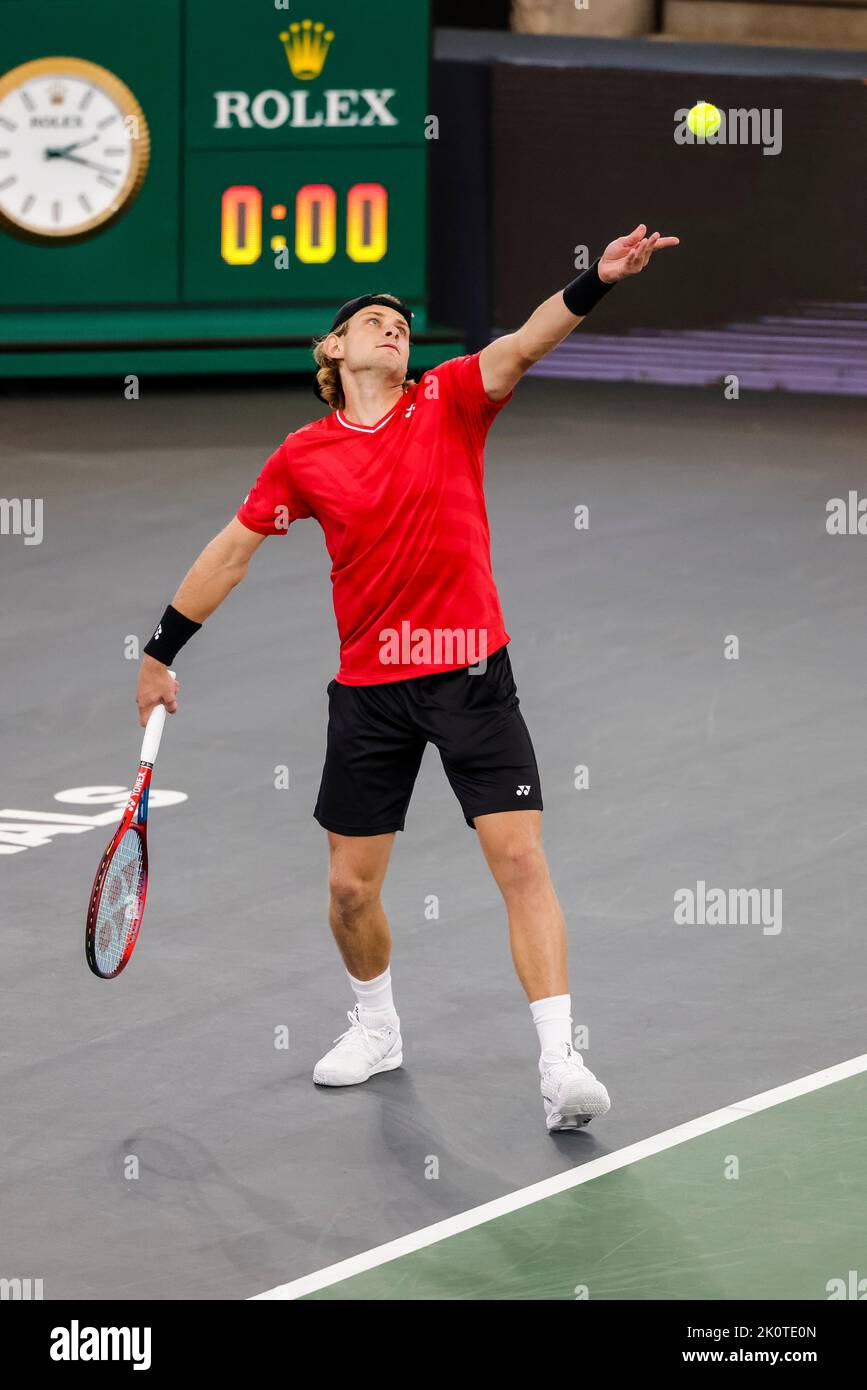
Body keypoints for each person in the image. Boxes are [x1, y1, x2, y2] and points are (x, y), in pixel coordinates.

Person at [135, 224, 679, 1131]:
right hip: (368, 694)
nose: (393, 328)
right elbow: (232, 554)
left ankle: (559, 1062)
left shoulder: (453, 397)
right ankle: (375, 1026)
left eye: (400, 322)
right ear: (334, 352)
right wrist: (160, 651)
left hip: (471, 674)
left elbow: (525, 340)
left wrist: (597, 279)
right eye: (373, 322)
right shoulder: (303, 456)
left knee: (518, 858)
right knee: (350, 889)